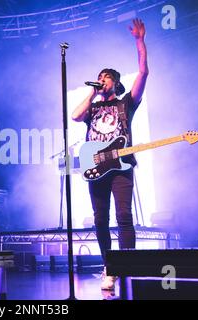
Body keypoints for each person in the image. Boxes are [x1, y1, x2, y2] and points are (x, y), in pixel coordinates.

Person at [72, 18, 148, 290]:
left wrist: (139, 41)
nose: (101, 79)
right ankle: (110, 266)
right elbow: (75, 115)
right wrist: (92, 93)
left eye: (106, 77)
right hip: (96, 167)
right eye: (100, 76)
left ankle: (126, 265)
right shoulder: (92, 107)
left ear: (115, 83)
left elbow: (143, 74)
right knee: (100, 220)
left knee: (124, 217)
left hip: (121, 167)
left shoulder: (125, 102)